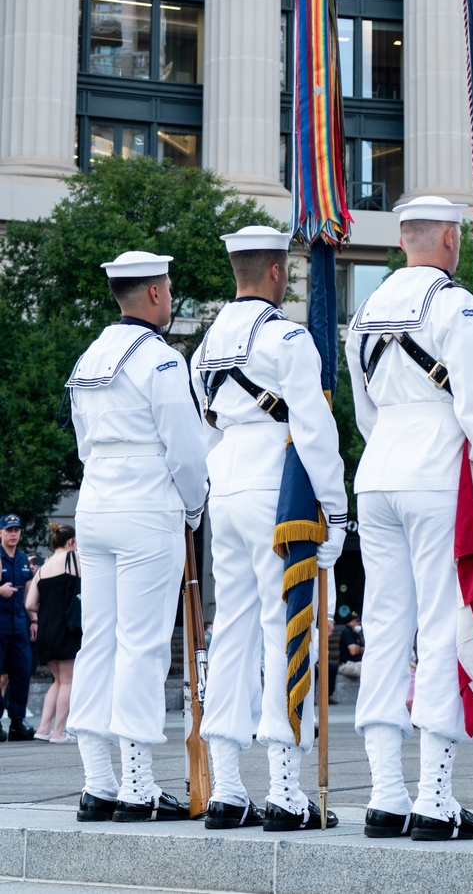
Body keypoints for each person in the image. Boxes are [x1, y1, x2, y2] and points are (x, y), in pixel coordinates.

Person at [345, 196, 473, 842]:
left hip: (380, 467)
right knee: (442, 625)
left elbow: (363, 410)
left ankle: (387, 794)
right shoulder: (457, 305)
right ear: (447, 237)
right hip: (437, 467)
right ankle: (435, 797)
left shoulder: (364, 311)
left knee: (386, 628)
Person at [191, 224, 348, 833]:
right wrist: (334, 510)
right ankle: (285, 789)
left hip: (225, 478)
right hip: (275, 482)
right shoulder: (288, 336)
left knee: (229, 627)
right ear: (279, 272)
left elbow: (201, 421)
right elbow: (313, 431)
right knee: (285, 626)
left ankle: (228, 788)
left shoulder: (207, 344)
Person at [65, 250, 207, 821]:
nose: (169, 298)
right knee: (142, 647)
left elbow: (80, 443)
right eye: (168, 289)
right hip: (147, 505)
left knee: (97, 641)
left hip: (95, 503)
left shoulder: (88, 357)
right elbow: (187, 448)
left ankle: (98, 781)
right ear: (154, 294)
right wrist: (194, 508)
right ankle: (138, 786)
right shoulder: (161, 361)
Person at [25, 524, 81, 743]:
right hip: (66, 628)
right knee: (68, 680)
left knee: (57, 680)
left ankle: (43, 728)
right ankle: (58, 732)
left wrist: (48, 609)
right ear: (70, 542)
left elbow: (30, 603)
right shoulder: (74, 560)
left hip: (46, 630)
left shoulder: (43, 569)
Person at [0, 514, 35, 743]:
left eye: (17, 530)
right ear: (1, 532)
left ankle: (17, 722)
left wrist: (34, 619)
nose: (14, 534)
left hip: (20, 626)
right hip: (0, 626)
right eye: (9, 530)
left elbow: (29, 592)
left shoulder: (22, 559)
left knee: (22, 673)